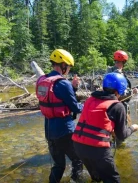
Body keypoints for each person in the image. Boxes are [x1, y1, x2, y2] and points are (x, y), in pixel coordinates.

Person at [72, 73, 138, 182]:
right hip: (98, 149)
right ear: (118, 91)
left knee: (96, 177)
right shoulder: (118, 106)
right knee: (113, 180)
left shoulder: (90, 100)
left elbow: (96, 121)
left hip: (78, 146)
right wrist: (133, 128)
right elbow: (121, 135)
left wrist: (109, 130)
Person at [35, 49, 83, 182]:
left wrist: (73, 88)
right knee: (78, 159)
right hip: (65, 131)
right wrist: (87, 106)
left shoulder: (42, 80)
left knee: (59, 165)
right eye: (68, 67)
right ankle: (76, 180)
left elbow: (54, 98)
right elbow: (75, 108)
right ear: (63, 65)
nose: (68, 70)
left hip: (49, 130)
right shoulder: (63, 83)